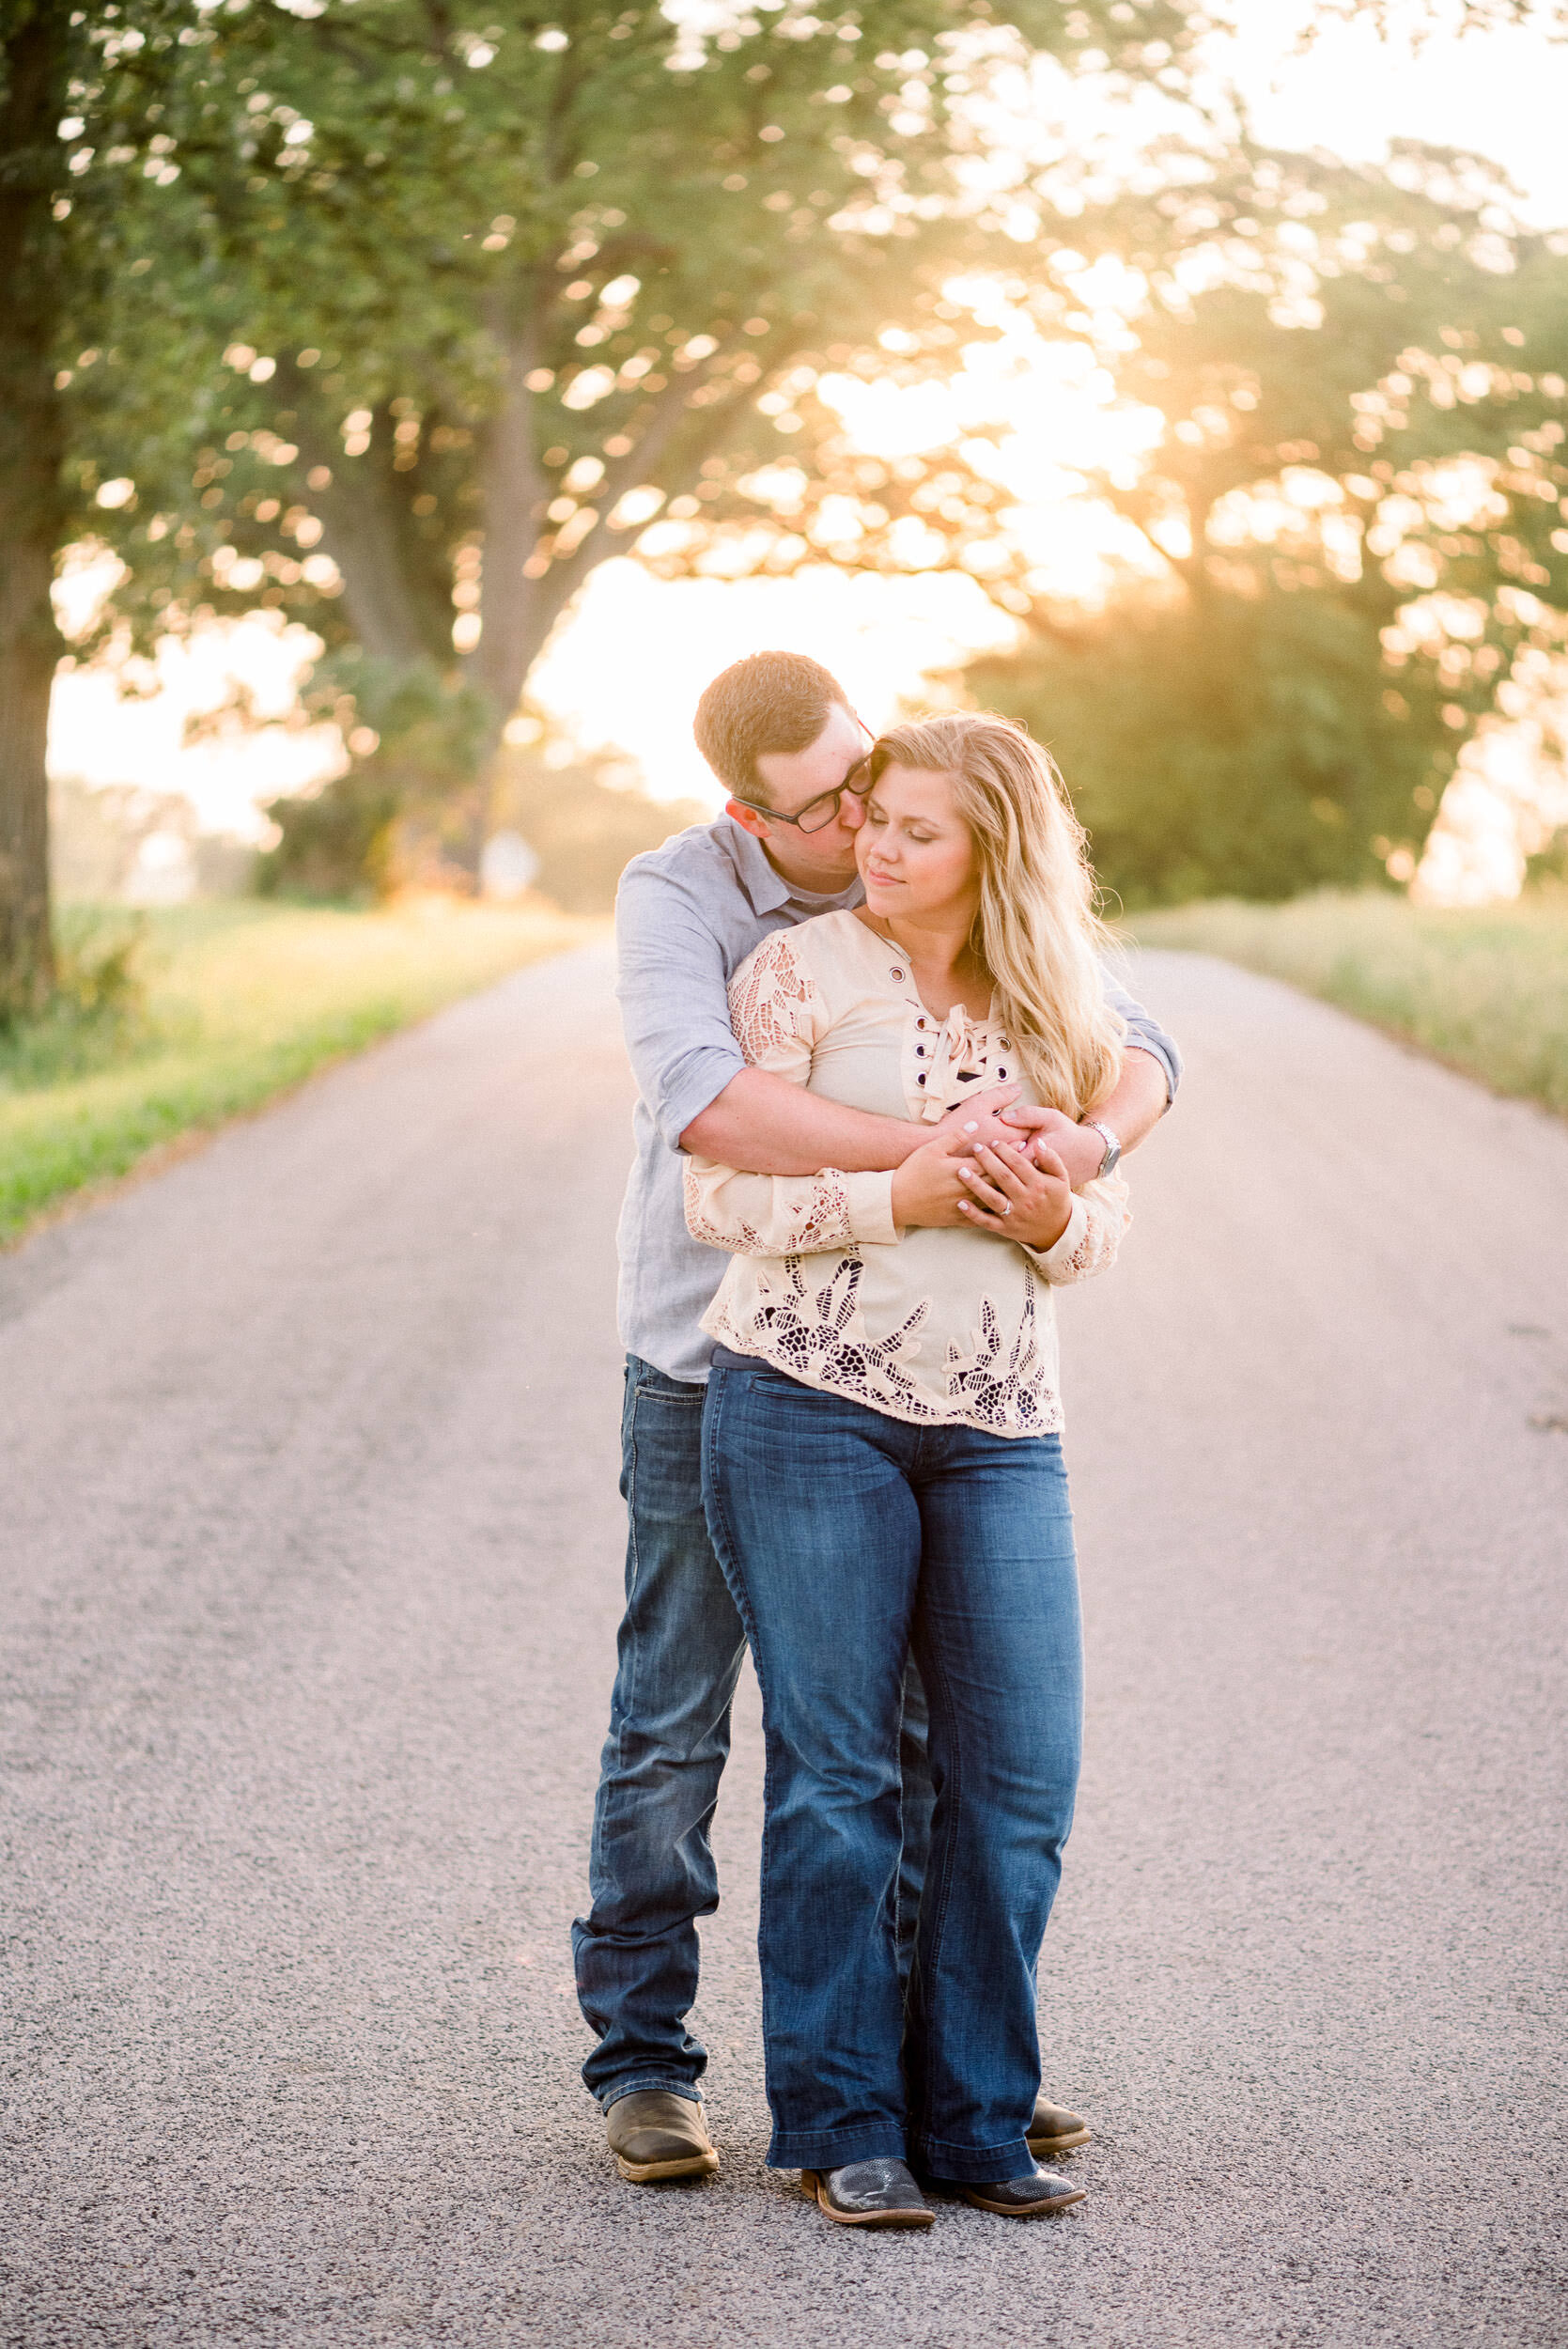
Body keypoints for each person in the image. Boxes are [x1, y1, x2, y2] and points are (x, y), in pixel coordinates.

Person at [571, 655, 1180, 2188]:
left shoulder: (975, 893)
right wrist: (936, 1160)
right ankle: (648, 2062)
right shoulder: (694, 904)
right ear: (747, 812)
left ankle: (929, 2071)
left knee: (929, 1750)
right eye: (833, 806)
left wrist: (1071, 1159)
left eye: (880, 791)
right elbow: (706, 1111)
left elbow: (1138, 1048)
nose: (860, 822)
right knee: (677, 1725)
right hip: (710, 1360)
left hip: (962, 1388)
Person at [692, 711, 1126, 2226]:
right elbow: (719, 1198)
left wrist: (1041, 1218)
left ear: (993, 850)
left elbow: (1100, 1229)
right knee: (840, 1778)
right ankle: (837, 2119)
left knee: (1017, 1785)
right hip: (805, 1403)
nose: (877, 845)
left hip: (1004, 1426)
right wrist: (905, 1189)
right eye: (875, 818)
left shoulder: (1059, 1002)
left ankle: (975, 2118)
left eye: (918, 830)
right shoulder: (796, 975)